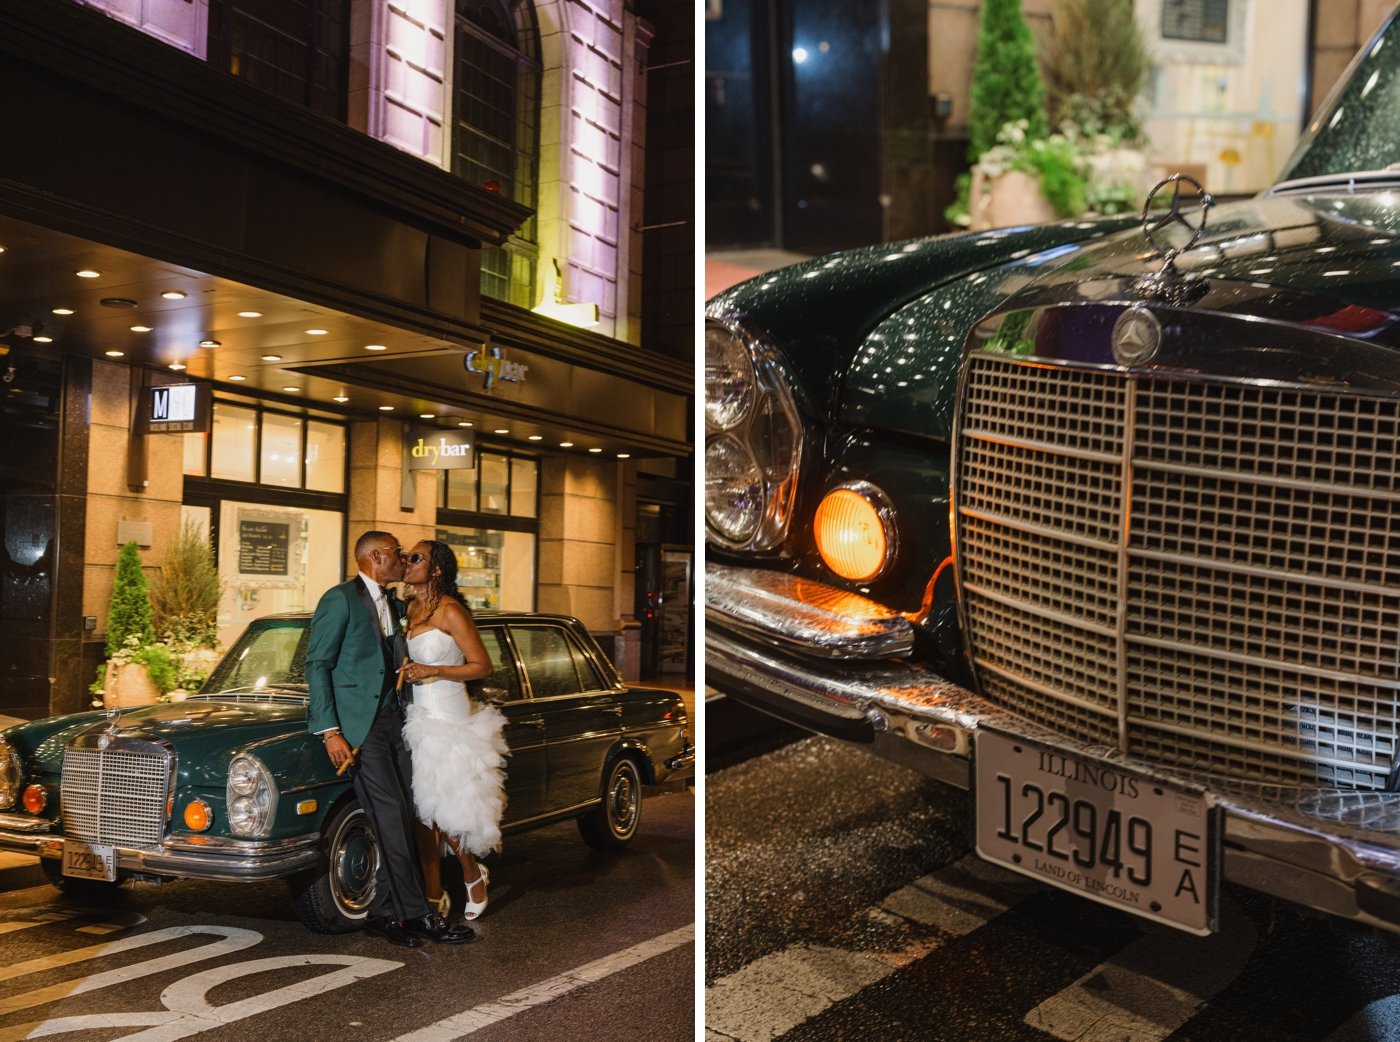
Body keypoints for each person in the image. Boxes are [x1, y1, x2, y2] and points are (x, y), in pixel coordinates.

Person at [305, 530, 474, 948]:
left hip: (399, 722)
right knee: (394, 817)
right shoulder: (339, 599)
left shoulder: (396, 603)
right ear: (377, 557)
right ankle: (418, 914)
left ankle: (384, 915)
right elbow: (317, 664)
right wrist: (331, 733)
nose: (403, 560)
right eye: (400, 554)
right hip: (362, 732)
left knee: (402, 817)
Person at [397, 539, 507, 920]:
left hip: (448, 713)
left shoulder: (451, 612)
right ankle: (431, 891)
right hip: (415, 717)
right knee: (421, 810)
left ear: (437, 568)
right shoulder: (407, 608)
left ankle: (471, 873)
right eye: (404, 557)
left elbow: (482, 665)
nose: (406, 562)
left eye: (415, 558)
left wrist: (433, 669)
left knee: (445, 806)